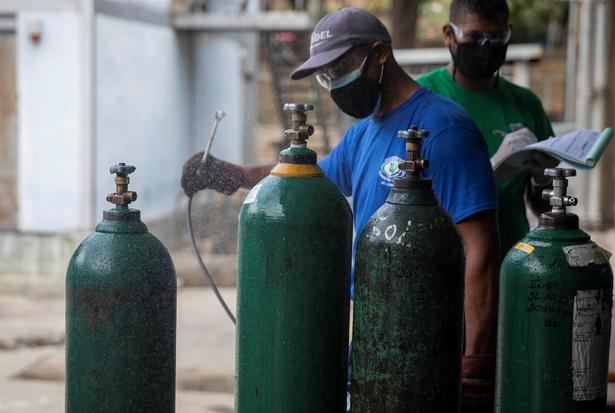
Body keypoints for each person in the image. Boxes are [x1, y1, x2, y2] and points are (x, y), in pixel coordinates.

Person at [182, 7, 499, 410]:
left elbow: (481, 254)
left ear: (380, 53)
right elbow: (306, 179)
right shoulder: (364, 133)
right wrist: (233, 175)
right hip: (371, 334)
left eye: (341, 67)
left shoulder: (444, 130)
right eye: (325, 75)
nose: (334, 83)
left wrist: (474, 368)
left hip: (428, 344)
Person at [417, 0, 555, 260]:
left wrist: (542, 180)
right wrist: (492, 170)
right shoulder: (422, 100)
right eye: (475, 36)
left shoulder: (526, 104)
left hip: (511, 262)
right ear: (449, 34)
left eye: (496, 37)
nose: (486, 46)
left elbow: (544, 208)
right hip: (444, 263)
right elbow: (407, 198)